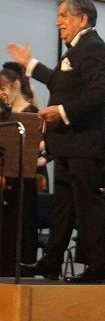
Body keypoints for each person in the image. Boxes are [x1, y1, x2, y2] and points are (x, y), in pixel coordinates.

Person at [7, 0, 105, 283]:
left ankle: (98, 266)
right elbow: (59, 81)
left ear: (83, 19)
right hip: (68, 143)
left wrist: (62, 111)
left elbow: (101, 93)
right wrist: (29, 64)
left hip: (84, 143)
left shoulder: (94, 48)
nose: (58, 22)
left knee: (87, 206)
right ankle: (51, 262)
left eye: (64, 15)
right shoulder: (76, 50)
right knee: (62, 207)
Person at [0, 67, 40, 275]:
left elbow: (47, 146)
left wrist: (37, 157)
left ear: (16, 85)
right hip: (5, 177)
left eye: (3, 87)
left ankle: (20, 268)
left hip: (25, 179)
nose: (1, 92)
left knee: (21, 224)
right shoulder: (4, 114)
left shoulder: (32, 112)